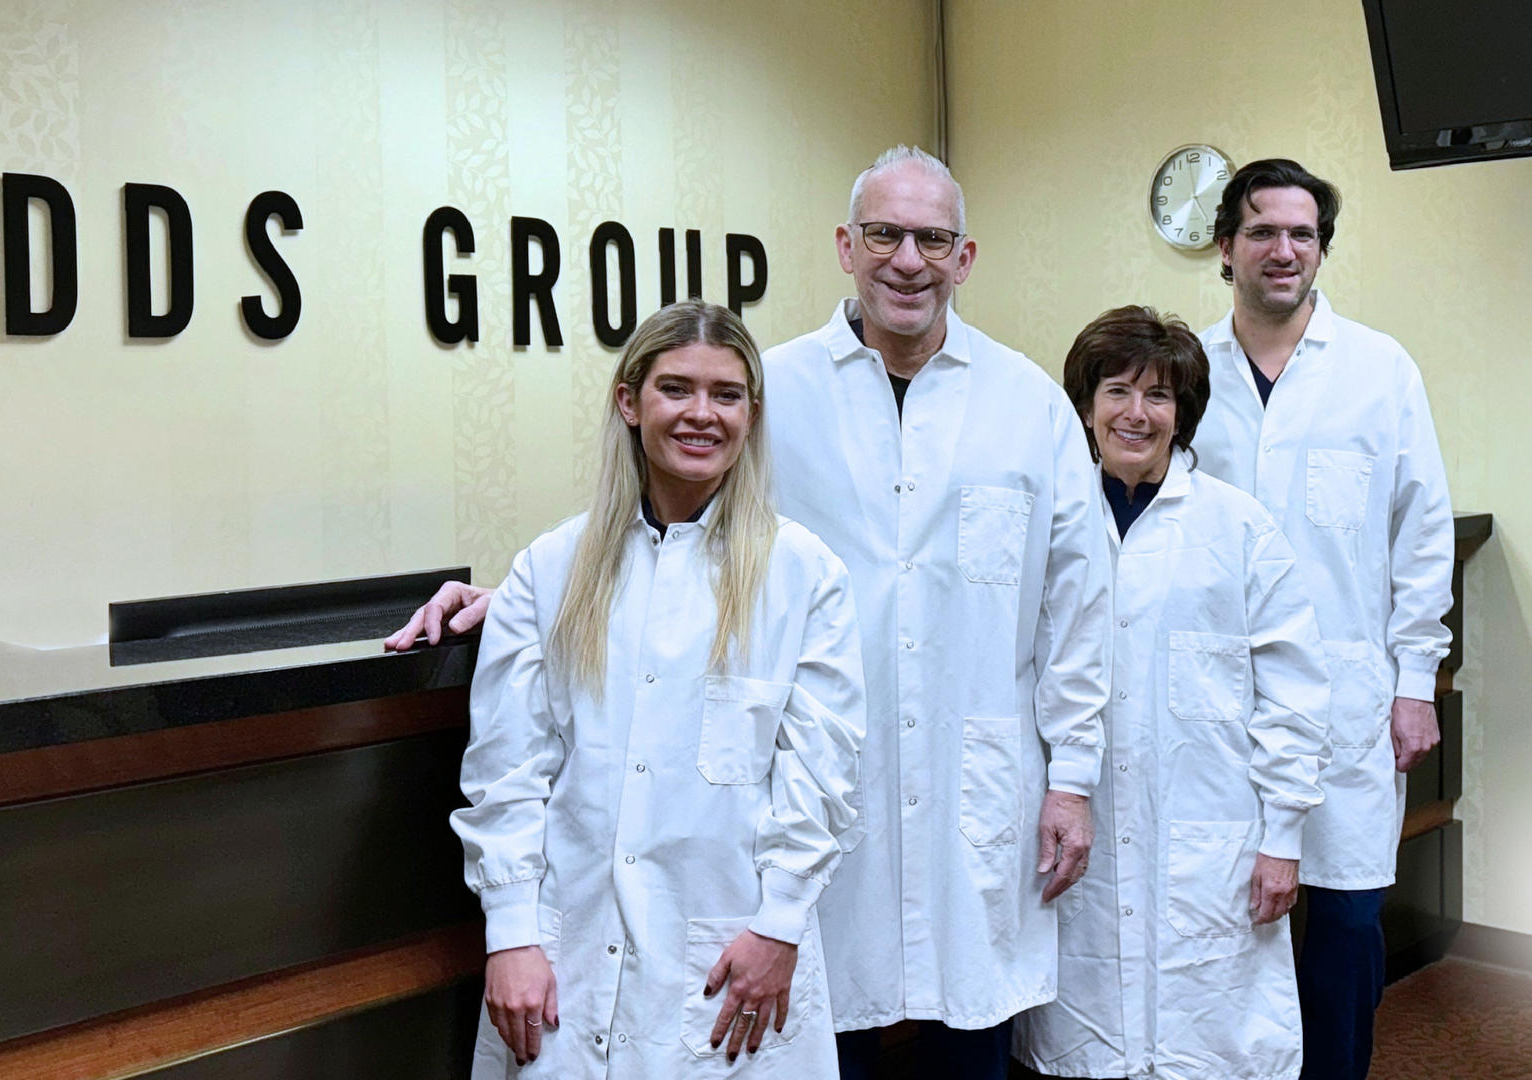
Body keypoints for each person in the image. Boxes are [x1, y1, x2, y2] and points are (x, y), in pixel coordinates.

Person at [395, 146, 1112, 1080]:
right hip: (792, 818)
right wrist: (519, 596)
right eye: (886, 235)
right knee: (809, 1024)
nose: (908, 260)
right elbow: (669, 512)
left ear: (964, 258)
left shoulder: (1029, 405)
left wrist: (1074, 775)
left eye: (933, 239)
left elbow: (1079, 599)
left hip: (966, 784)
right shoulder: (772, 386)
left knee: (964, 1032)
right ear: (847, 247)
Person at [451, 300, 867, 1078]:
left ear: (752, 412)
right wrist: (510, 933)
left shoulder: (804, 576)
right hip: (560, 964)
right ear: (629, 401)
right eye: (676, 389)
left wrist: (778, 927)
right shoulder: (550, 570)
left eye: (727, 394)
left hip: (733, 964)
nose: (701, 414)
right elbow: (508, 770)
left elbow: (823, 780)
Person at [1014, 306, 1329, 1080]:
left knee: (1214, 1043)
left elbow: (1294, 693)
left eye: (1158, 395)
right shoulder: (1047, 523)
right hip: (1073, 825)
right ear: (1084, 405)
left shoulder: (1238, 529)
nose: (1135, 413)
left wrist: (1282, 837)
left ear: (1183, 412)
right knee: (1084, 1045)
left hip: (1213, 839)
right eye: (1115, 390)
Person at [1191, 160, 1454, 1080]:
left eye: (1302, 234)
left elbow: (1422, 536)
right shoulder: (1185, 371)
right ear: (1225, 248)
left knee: (1344, 923)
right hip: (1213, 698)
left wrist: (1416, 684)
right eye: (1262, 231)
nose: (1284, 250)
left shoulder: (1379, 371)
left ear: (1321, 251)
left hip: (1346, 699)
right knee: (1226, 917)